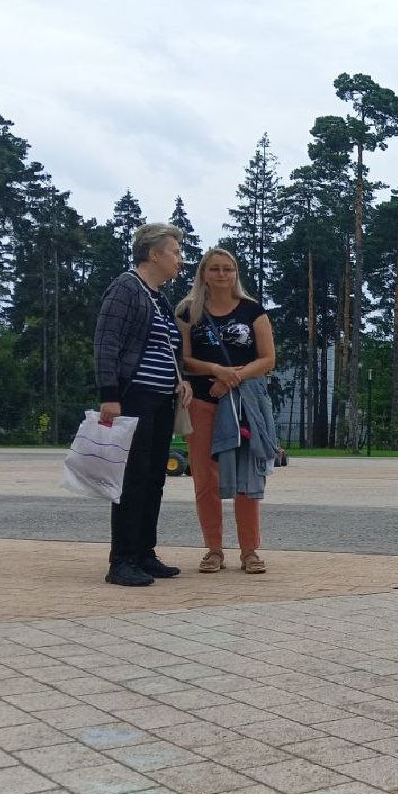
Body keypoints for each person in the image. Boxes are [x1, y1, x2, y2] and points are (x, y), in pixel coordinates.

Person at [94, 223, 193, 587]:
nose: (180, 260)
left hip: (162, 400)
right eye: (175, 252)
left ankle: (144, 553)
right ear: (154, 254)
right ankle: (121, 560)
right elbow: (106, 342)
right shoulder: (126, 288)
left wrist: (180, 381)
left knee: (154, 479)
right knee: (132, 479)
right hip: (133, 397)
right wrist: (110, 395)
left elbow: (167, 348)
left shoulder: (158, 297)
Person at [176, 249, 277, 574]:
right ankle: (213, 549)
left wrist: (232, 379)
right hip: (203, 404)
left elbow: (267, 358)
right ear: (203, 273)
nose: (222, 275)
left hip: (243, 405)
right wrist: (216, 370)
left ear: (236, 273)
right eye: (215, 269)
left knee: (247, 477)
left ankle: (250, 551)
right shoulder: (188, 311)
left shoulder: (253, 311)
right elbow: (184, 358)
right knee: (205, 480)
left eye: (228, 269)